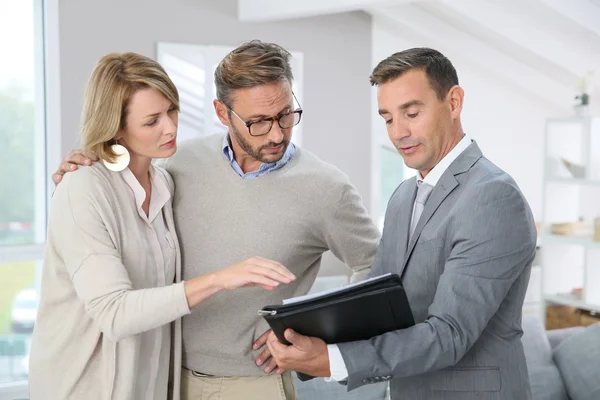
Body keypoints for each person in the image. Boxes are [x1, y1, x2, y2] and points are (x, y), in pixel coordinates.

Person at [51, 41, 381, 400]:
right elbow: (123, 185)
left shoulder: (327, 188)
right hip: (166, 378)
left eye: (286, 115)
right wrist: (88, 164)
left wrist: (314, 334)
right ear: (222, 113)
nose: (275, 133)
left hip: (253, 384)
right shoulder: (178, 166)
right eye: (257, 122)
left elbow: (375, 265)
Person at [265, 47, 538, 400]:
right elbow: (378, 304)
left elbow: (450, 333)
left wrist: (333, 359)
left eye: (411, 112)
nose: (398, 132)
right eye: (388, 118)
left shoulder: (493, 197)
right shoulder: (403, 196)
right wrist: (304, 335)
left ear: (453, 102)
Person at [31, 52, 296, 400]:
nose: (170, 127)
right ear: (117, 128)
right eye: (151, 120)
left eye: (171, 110)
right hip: (80, 388)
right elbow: (114, 313)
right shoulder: (83, 188)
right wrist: (220, 279)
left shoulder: (164, 184)